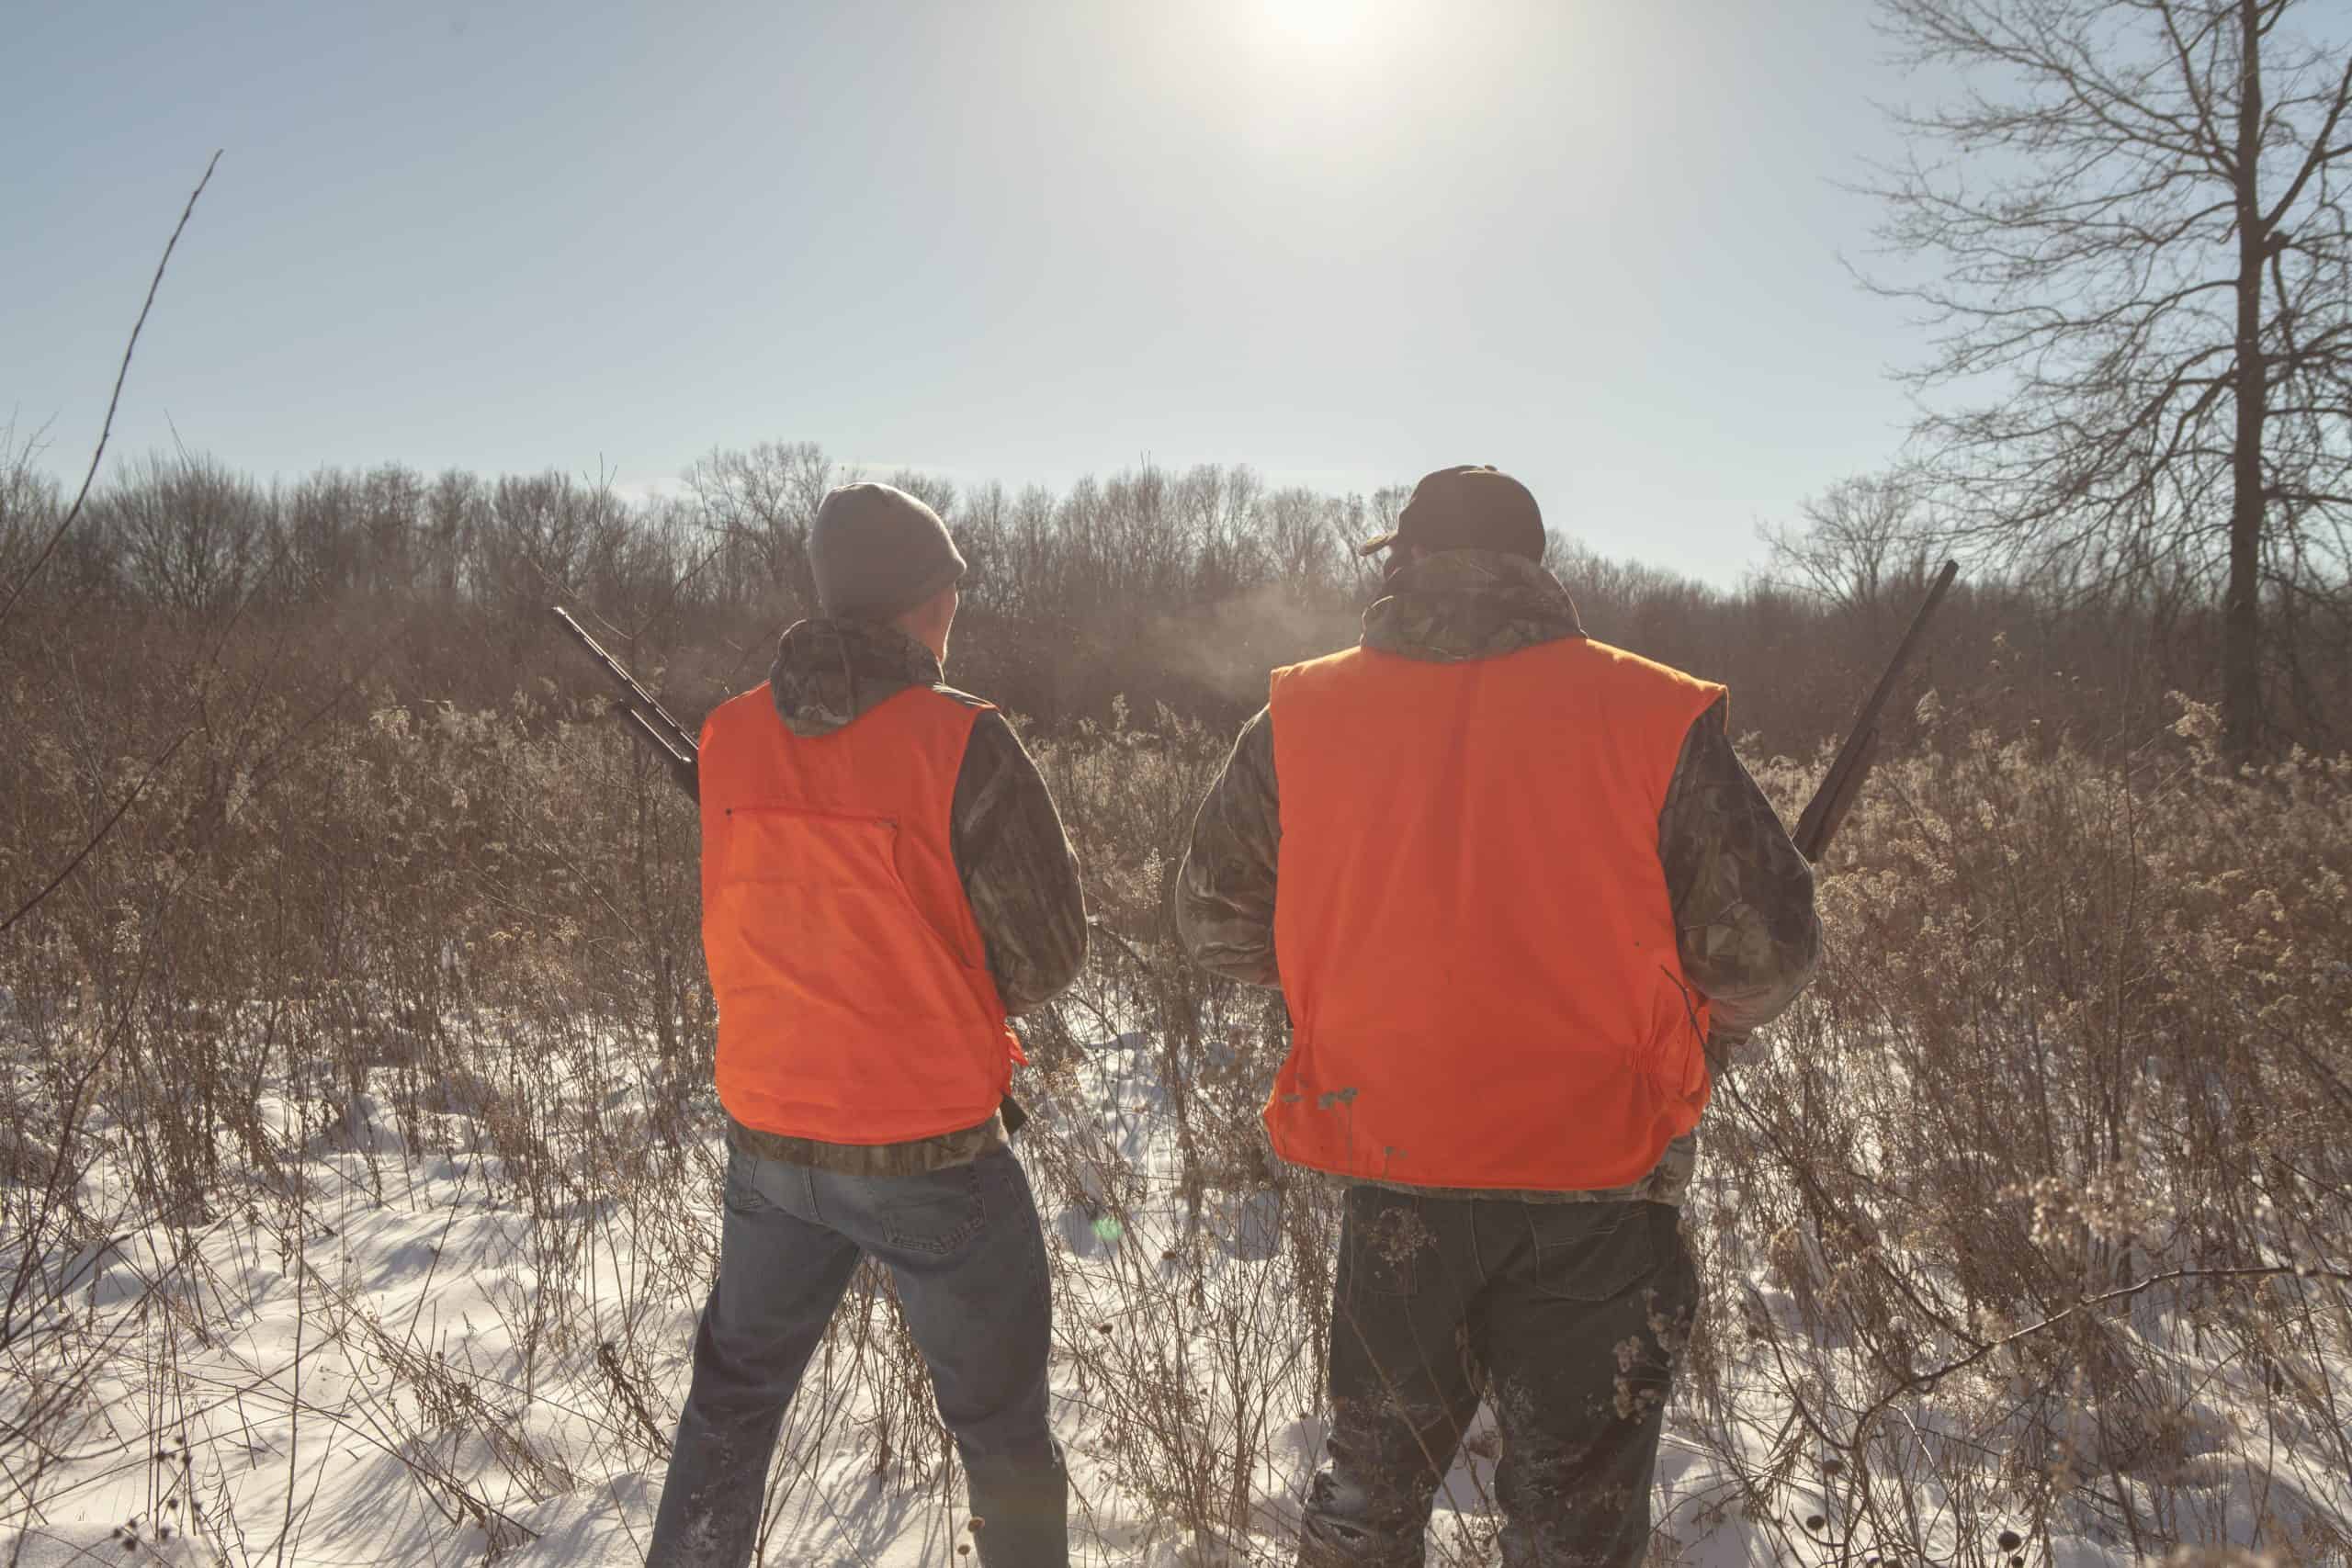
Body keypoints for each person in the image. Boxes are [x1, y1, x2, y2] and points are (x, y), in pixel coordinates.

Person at [1174, 466, 1822, 1568]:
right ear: (1537, 569)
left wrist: (1360, 984)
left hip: (1395, 1162)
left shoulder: (1302, 713)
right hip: (1601, 1181)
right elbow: (1764, 957)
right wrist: (1689, 1031)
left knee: (1368, 1495)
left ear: (1405, 562)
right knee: (1572, 1521)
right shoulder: (1647, 708)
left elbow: (1216, 925)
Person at [647, 481, 1087, 1568]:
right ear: (926, 604)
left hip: (771, 1145)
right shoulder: (960, 739)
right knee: (1003, 1443)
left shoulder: (729, 733)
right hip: (928, 1149)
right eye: (951, 592)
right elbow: (1048, 957)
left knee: (730, 1409)